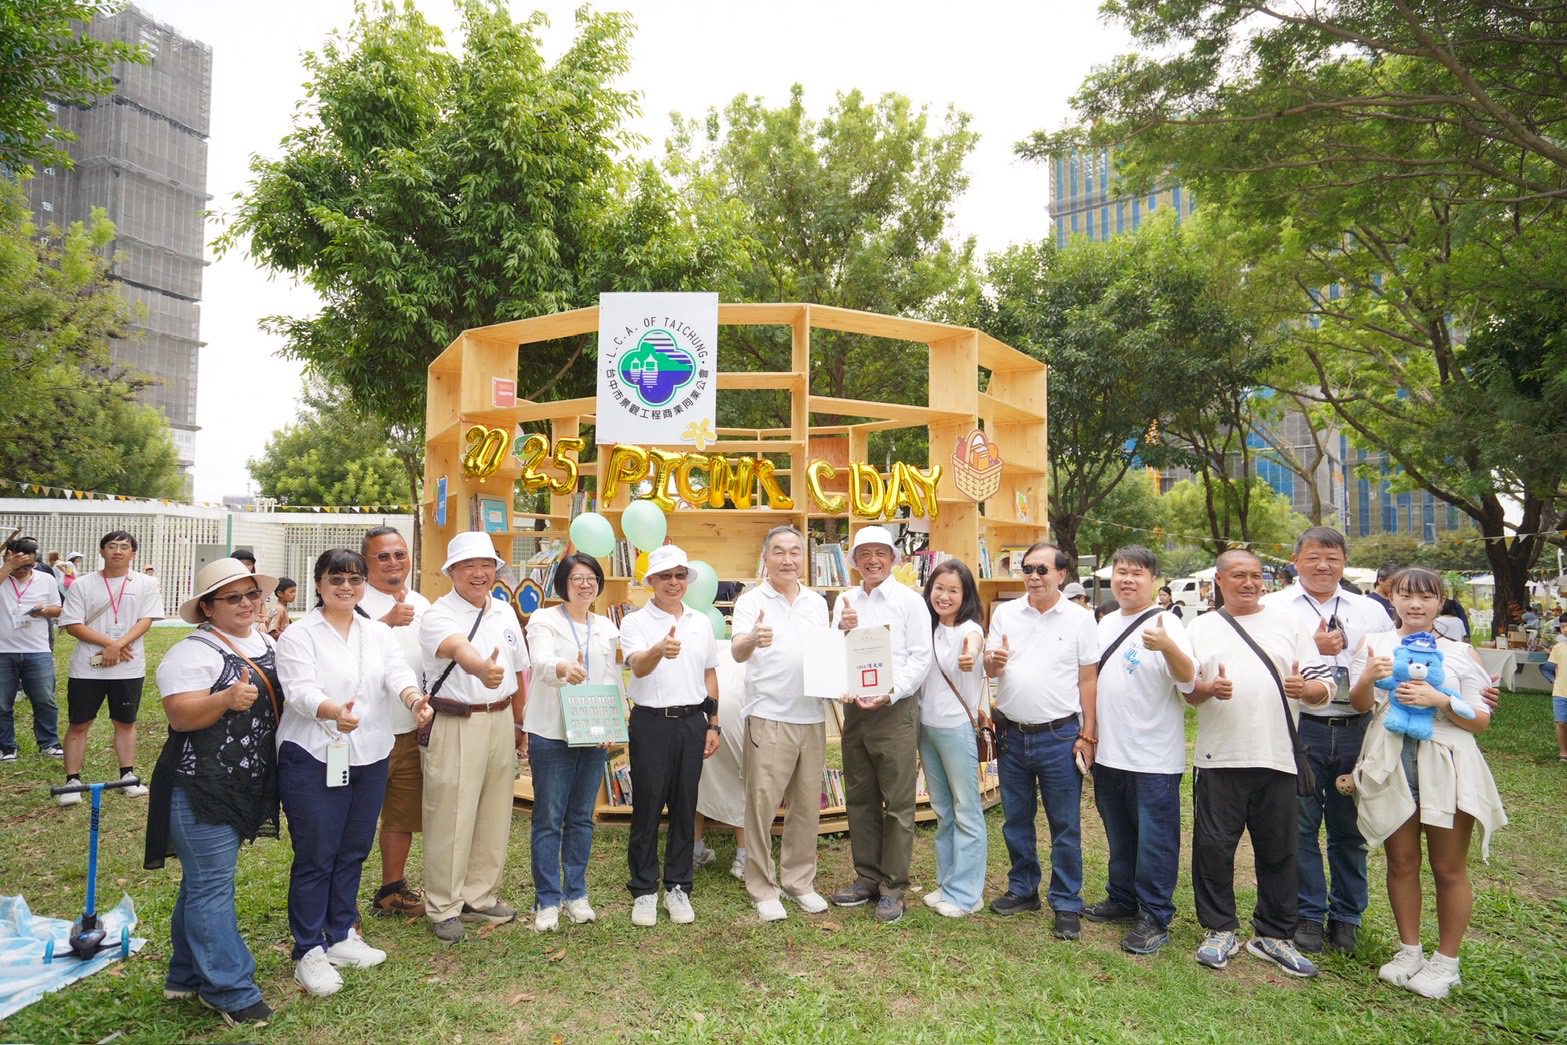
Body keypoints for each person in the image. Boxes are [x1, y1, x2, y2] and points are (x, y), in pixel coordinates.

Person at [275, 549, 429, 996]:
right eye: (335, 578)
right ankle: (308, 949)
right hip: (313, 754)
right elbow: (299, 689)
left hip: (370, 753)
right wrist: (330, 710)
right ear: (319, 584)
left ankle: (341, 934)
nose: (346, 586)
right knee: (316, 854)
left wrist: (413, 700)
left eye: (354, 579)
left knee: (353, 849)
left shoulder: (375, 633)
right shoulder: (300, 635)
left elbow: (397, 673)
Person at [1349, 567, 1506, 998]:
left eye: (1426, 597)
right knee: (1401, 862)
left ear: (1441, 603)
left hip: (1447, 762)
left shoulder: (1461, 652)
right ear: (1392, 598)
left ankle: (1447, 962)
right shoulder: (1376, 645)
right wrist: (1366, 675)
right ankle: (1409, 950)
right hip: (1391, 761)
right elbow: (1362, 704)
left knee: (1448, 866)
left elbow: (1482, 721)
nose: (1415, 604)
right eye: (1405, 595)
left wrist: (1442, 700)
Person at [143, 558, 282, 1027]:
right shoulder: (191, 653)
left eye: (251, 594)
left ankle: (185, 975)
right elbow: (180, 716)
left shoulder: (262, 640)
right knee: (211, 886)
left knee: (202, 882)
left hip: (243, 782)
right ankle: (230, 988)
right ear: (207, 607)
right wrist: (224, 700)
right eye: (232, 597)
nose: (246, 603)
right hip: (200, 784)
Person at [1186, 549, 1334, 978]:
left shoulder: (1289, 624)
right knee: (1213, 849)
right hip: (1219, 755)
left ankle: (1273, 934)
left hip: (1278, 755)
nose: (1248, 583)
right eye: (1238, 575)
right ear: (1219, 579)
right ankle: (1218, 929)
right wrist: (1208, 688)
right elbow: (1188, 691)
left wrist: (1307, 690)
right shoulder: (1200, 627)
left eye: (1256, 575)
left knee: (1280, 849)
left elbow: (1325, 684)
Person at [1261, 527, 1395, 956]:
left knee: (1349, 829)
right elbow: (1260, 661)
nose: (1323, 566)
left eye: (1332, 558)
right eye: (1314, 557)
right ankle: (1309, 913)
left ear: (1344, 561)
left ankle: (1347, 917)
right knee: (1298, 827)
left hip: (1356, 729)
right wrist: (1315, 650)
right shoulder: (1273, 607)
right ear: (1295, 561)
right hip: (1300, 728)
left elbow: (1391, 658)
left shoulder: (1370, 610)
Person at [417, 531, 529, 944]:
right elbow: (457, 648)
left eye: (487, 566)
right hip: (457, 721)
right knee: (451, 814)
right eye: (469, 566)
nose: (480, 574)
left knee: (494, 811)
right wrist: (481, 668)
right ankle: (443, 905)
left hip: (500, 719)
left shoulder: (504, 611)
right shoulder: (438, 614)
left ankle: (479, 895)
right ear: (452, 572)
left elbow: (519, 671)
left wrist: (521, 726)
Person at [984, 540, 1099, 939]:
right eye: (1027, 569)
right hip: (1013, 734)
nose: (1033, 577)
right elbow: (987, 661)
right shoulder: (1005, 614)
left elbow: (1088, 679)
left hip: (1059, 736)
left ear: (1062, 575)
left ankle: (1067, 902)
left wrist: (1089, 733)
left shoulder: (1080, 620)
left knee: (1064, 824)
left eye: (1042, 570)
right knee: (1016, 819)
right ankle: (1023, 888)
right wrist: (990, 662)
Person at [1085, 545, 1196, 955]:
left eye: (1137, 573)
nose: (1127, 579)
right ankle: (1122, 897)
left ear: (1154, 581)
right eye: (1121, 572)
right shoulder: (1105, 622)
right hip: (1109, 751)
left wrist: (1167, 646)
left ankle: (1154, 914)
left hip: (1153, 757)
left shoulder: (1168, 623)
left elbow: (1188, 681)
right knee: (1119, 832)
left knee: (1156, 839)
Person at [827, 526, 933, 924]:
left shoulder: (910, 602)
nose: (873, 560)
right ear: (854, 562)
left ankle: (893, 888)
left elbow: (921, 657)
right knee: (860, 796)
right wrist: (842, 631)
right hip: (856, 709)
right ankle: (866, 878)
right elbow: (836, 654)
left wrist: (892, 692)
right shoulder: (846, 600)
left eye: (881, 553)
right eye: (864, 554)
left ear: (893, 559)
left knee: (898, 803)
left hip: (894, 709)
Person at [730, 526, 832, 922]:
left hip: (812, 716)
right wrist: (753, 637)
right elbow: (738, 652)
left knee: (807, 807)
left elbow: (826, 655)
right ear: (766, 558)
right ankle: (761, 886)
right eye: (778, 552)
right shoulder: (750, 600)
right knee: (761, 805)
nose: (787, 559)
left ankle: (799, 881)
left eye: (794, 551)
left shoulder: (817, 602)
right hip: (769, 715)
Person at [619, 544, 722, 927]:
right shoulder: (634, 623)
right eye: (665, 576)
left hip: (693, 722)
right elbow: (639, 668)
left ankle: (679, 885)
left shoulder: (700, 621)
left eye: (680, 575)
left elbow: (710, 673)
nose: (674, 583)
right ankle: (644, 888)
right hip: (651, 722)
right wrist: (660, 649)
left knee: (685, 805)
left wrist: (713, 723)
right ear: (651, 582)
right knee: (647, 806)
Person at [524, 552, 620, 931]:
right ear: (563, 583)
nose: (585, 584)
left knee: (582, 818)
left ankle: (576, 894)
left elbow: (612, 677)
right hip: (551, 731)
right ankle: (547, 899)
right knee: (548, 818)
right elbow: (540, 661)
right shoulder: (544, 619)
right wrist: (563, 667)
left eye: (592, 578)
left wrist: (612, 722)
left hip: (593, 732)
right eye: (577, 578)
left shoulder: (606, 627)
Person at [357, 526, 433, 918]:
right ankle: (340, 902)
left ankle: (391, 888)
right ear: (366, 562)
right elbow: (345, 652)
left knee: (401, 815)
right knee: (352, 820)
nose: (393, 563)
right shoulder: (352, 601)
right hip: (363, 734)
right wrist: (384, 621)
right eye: (383, 556)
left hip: (408, 729)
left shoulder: (421, 602)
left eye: (400, 554)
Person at [57, 530, 162, 805]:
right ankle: (72, 781)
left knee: (125, 722)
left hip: (128, 666)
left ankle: (127, 776)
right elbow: (72, 624)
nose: (118, 551)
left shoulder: (146, 583)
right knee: (79, 723)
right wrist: (110, 644)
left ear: (133, 553)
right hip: (87, 668)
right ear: (102, 551)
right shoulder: (82, 584)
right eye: (112, 546)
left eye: (124, 547)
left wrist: (120, 645)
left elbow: (146, 619)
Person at [915, 560, 988, 919]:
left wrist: (971, 655)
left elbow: (974, 646)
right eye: (938, 588)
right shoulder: (926, 627)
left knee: (966, 811)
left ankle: (968, 894)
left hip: (956, 728)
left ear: (966, 595)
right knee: (943, 810)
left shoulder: (968, 629)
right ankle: (947, 883)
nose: (943, 596)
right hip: (926, 728)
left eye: (953, 590)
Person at [0, 535, 63, 761]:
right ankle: (6, 746)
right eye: (16, 559)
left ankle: (49, 743)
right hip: (2, 650)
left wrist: (45, 610)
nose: (21, 566)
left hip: (38, 649)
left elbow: (59, 608)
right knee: (2, 702)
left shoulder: (45, 579)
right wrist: (7, 567)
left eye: (27, 562)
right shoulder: (3, 576)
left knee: (45, 699)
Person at [1551, 617, 1567, 762]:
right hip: (1560, 692)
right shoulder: (1558, 647)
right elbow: (1554, 668)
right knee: (1561, 722)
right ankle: (1563, 753)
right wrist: (1555, 682)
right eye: (1562, 626)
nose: (1565, 629)